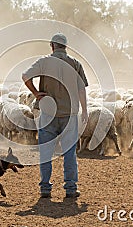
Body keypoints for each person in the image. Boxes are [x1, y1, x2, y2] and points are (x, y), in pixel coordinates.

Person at [22, 33, 88, 198]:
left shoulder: (44, 62)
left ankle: (45, 188)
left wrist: (36, 93)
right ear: (66, 47)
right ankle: (71, 188)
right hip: (69, 114)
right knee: (69, 152)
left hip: (48, 114)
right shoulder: (75, 64)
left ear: (52, 45)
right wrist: (85, 110)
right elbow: (81, 89)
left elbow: (25, 76)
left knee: (45, 152)